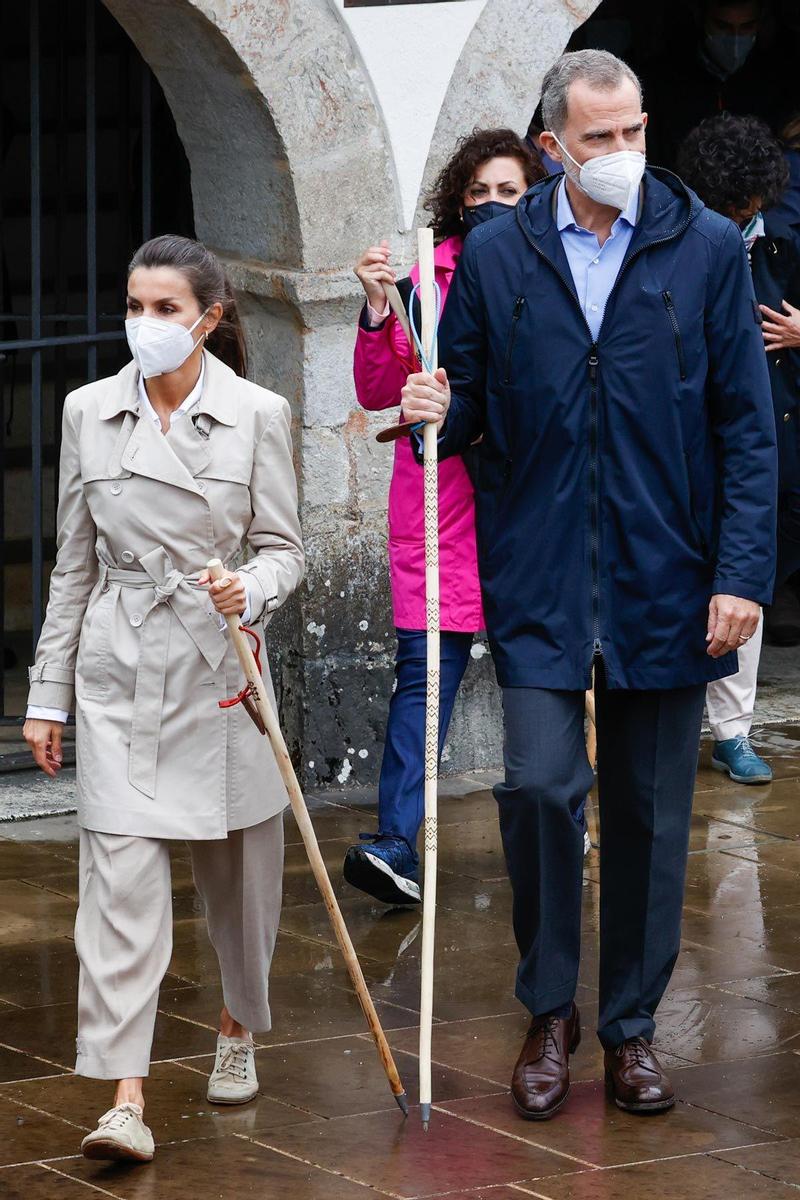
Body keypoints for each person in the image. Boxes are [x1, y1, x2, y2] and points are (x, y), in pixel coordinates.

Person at [402, 50, 776, 1120]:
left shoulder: (702, 248)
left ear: (645, 127)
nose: (617, 156)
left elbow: (745, 431)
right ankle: (546, 1010)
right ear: (550, 145)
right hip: (541, 574)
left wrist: (738, 574)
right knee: (535, 785)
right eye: (595, 140)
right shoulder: (497, 253)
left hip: (668, 577)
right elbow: (465, 406)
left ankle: (627, 1027)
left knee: (652, 817)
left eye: (631, 134)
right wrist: (438, 414)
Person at [23, 235, 304, 1163]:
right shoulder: (86, 411)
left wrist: (251, 589)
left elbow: (286, 549)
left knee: (243, 886)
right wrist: (48, 695)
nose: (144, 325)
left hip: (219, 666)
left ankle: (235, 1027)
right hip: (119, 668)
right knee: (118, 892)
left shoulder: (259, 412)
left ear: (210, 318)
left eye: (166, 310)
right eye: (135, 306)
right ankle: (124, 1096)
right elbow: (72, 564)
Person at [342, 129, 543, 906]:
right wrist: (374, 306)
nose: (492, 205)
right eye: (479, 193)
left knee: (549, 676)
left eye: (510, 193)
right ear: (457, 200)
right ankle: (396, 842)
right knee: (425, 675)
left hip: (531, 504)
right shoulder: (426, 277)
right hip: (442, 505)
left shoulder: (556, 272)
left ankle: (558, 817)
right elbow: (376, 388)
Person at [678, 112, 800, 780]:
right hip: (685, 437)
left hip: (766, 429)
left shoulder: (779, 241)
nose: (743, 218)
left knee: (743, 579)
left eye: (751, 208)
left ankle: (733, 730)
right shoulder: (679, 240)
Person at [641, 0, 791, 171]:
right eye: (722, 26)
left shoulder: (774, 81)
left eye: (746, 27)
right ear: (701, 18)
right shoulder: (662, 80)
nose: (735, 38)